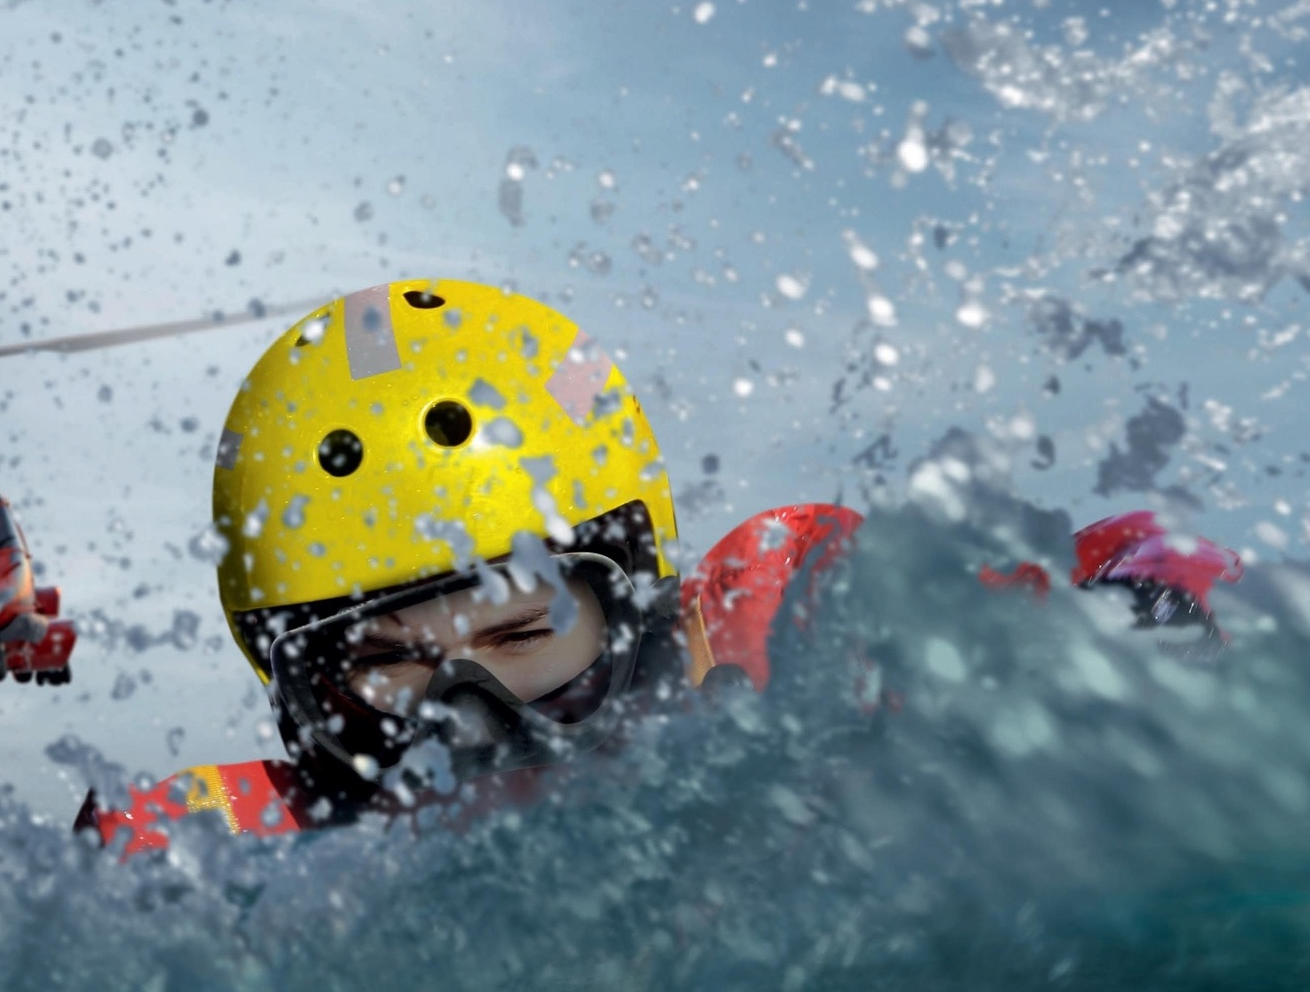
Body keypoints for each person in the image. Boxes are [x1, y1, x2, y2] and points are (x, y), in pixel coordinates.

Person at [76, 280, 1240, 856]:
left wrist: (1144, 612)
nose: (470, 730)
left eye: (526, 635)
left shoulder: (796, 617)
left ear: (632, 587)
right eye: (385, 679)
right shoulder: (309, 821)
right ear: (298, 695)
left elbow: (1132, 549)